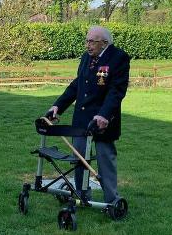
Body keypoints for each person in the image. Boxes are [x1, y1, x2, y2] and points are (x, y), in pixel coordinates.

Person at [47, 26, 130, 204]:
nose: (88, 45)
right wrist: (58, 106)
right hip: (82, 120)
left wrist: (104, 115)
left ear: (105, 43)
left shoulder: (118, 58)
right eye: (87, 40)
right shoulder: (86, 57)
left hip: (103, 121)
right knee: (79, 160)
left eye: (92, 41)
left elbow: (116, 91)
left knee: (105, 159)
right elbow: (77, 85)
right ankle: (81, 195)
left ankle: (111, 202)